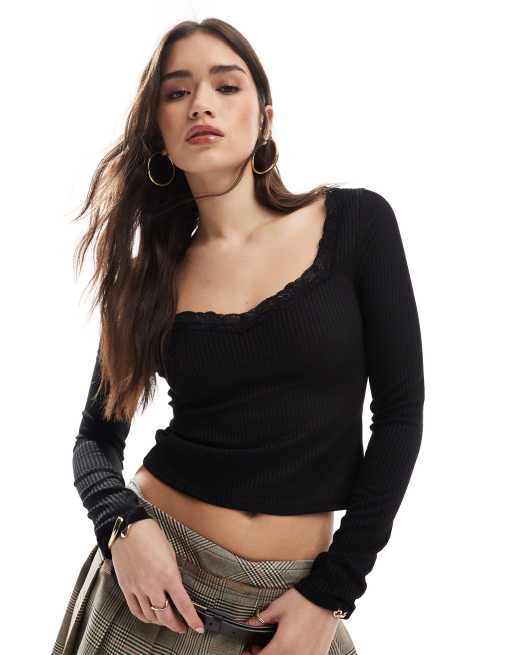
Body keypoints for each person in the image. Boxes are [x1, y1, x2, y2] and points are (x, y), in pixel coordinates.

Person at [52, 16, 424, 655]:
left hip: (296, 602)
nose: (201, 103)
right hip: (156, 594)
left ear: (265, 119)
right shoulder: (146, 281)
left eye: (226, 86)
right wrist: (121, 528)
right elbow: (96, 440)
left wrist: (331, 593)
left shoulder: (357, 224)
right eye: (177, 92)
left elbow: (400, 413)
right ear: (159, 133)